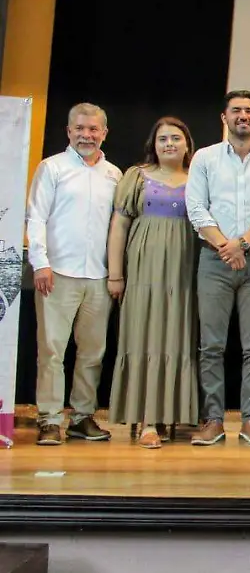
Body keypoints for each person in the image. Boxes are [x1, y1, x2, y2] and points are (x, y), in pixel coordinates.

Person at [186, 90, 250, 446]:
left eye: (249, 110)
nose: (243, 116)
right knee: (211, 346)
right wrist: (226, 248)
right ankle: (213, 419)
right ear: (224, 117)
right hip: (213, 261)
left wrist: (240, 244)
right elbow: (197, 209)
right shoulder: (205, 158)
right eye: (236, 111)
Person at [27, 102, 122, 445]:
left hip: (98, 276)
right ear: (69, 132)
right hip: (57, 273)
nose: (87, 135)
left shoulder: (114, 175)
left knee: (92, 352)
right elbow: (36, 217)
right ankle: (50, 419)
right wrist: (41, 263)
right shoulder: (51, 168)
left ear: (104, 133)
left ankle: (82, 417)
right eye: (80, 128)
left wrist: (116, 273)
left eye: (93, 129)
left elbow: (118, 227)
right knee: (52, 350)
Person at [106, 117, 199, 449]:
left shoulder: (198, 179)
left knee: (176, 335)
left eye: (176, 137)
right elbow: (119, 226)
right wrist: (115, 274)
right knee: (144, 334)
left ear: (188, 144)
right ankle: (146, 420)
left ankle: (175, 413)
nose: (170, 144)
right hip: (144, 270)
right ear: (153, 144)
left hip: (184, 270)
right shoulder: (136, 177)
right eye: (163, 139)